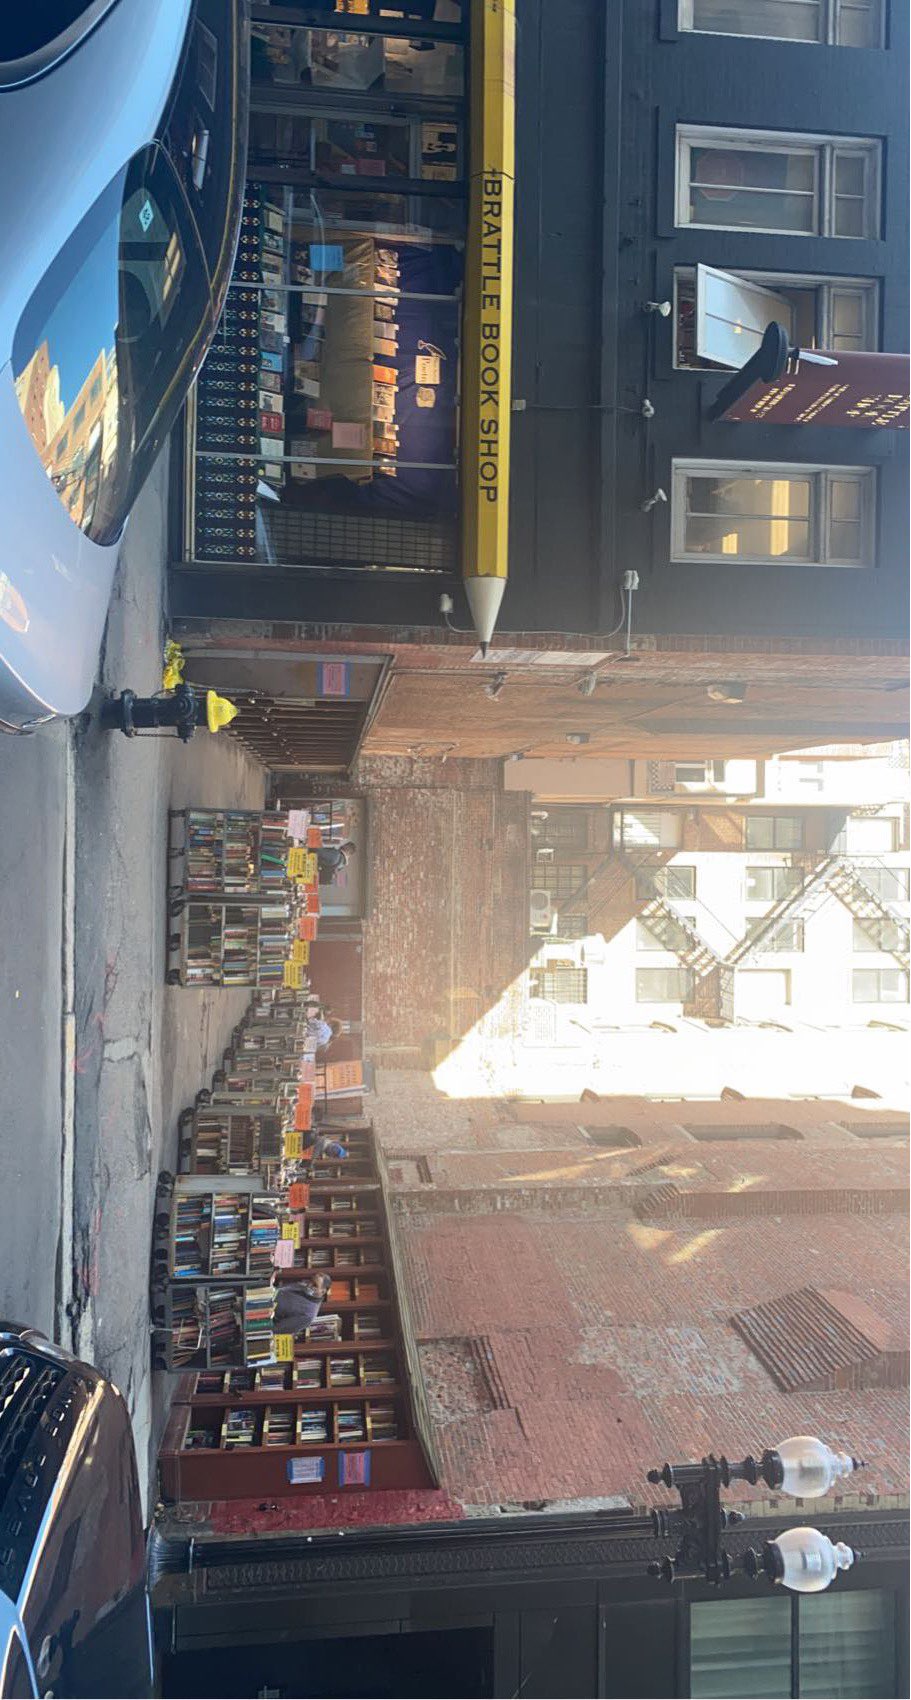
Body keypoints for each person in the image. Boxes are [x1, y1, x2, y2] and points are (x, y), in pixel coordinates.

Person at [272, 1272, 331, 1337]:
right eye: (310, 1280)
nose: (309, 1285)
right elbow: (280, 1289)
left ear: (322, 1291)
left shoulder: (309, 1314)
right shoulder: (302, 1285)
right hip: (264, 1295)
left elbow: (278, 1329)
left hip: (263, 1316)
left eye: (315, 1285)